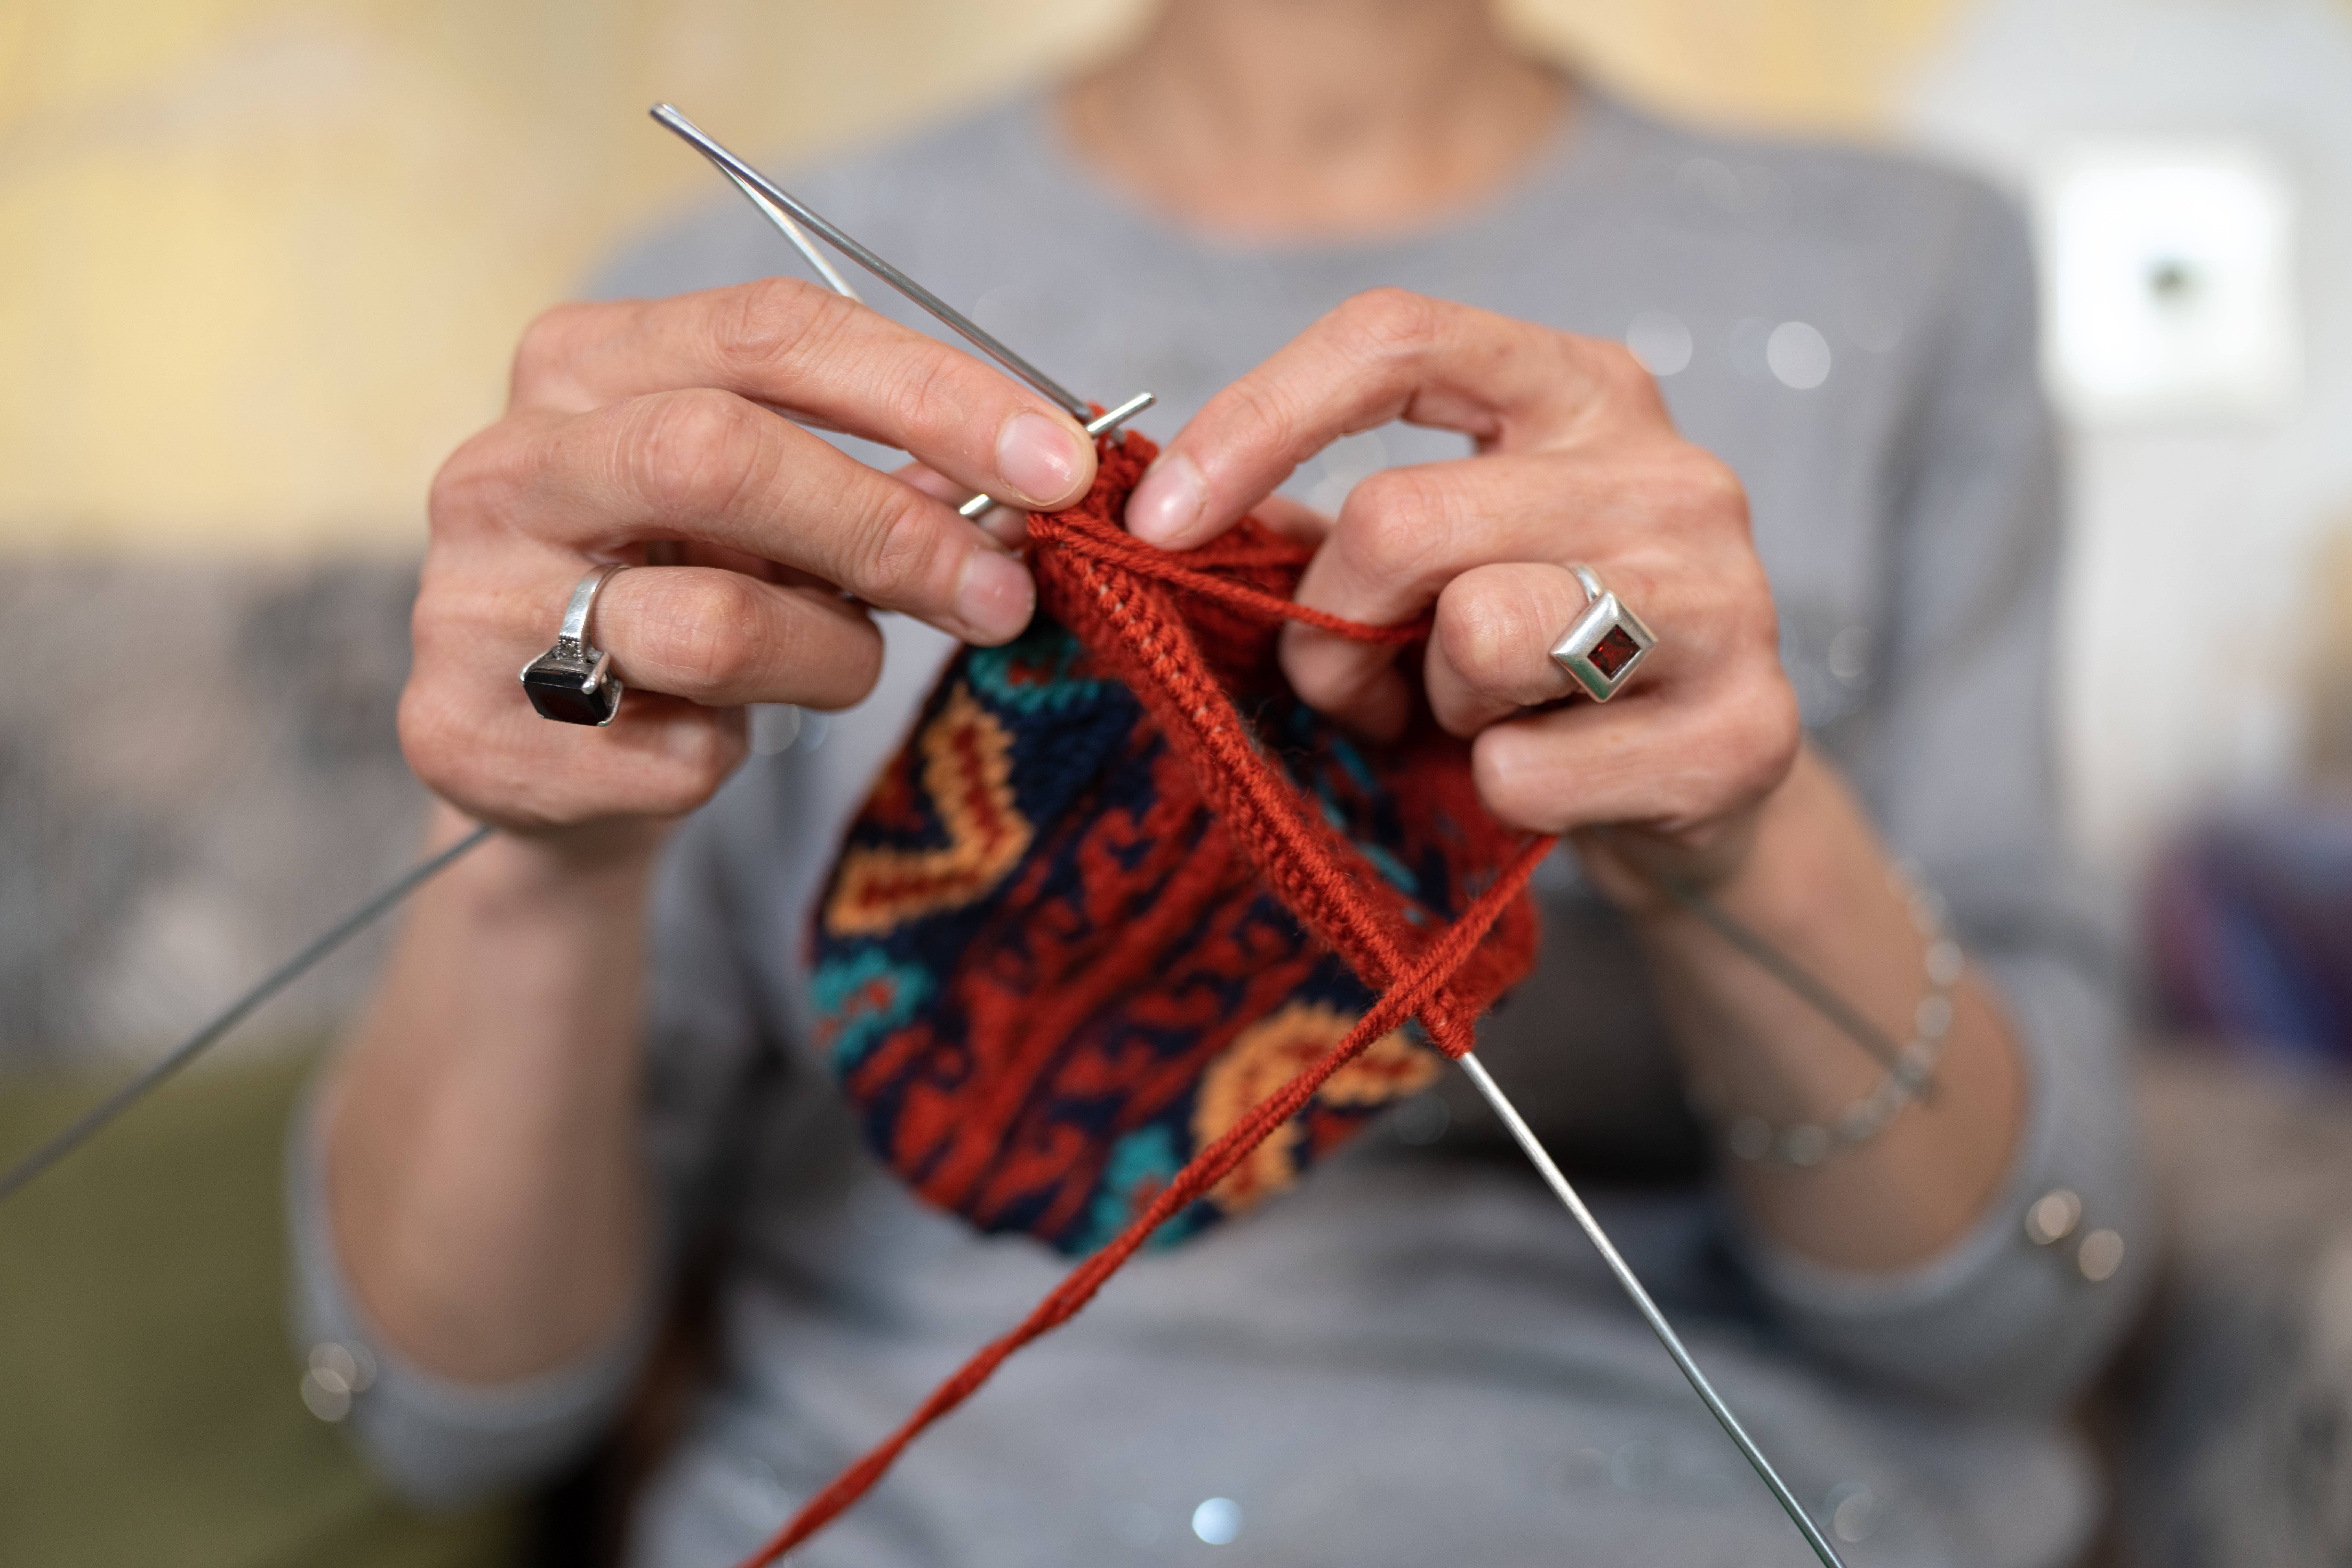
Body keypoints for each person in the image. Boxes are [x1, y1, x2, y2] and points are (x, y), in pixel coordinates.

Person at [296, 1, 2149, 1562]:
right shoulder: (730, 326)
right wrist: (533, 857)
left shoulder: (1908, 272)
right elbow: (450, 1415)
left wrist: (1744, 837)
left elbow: (2020, 1314)